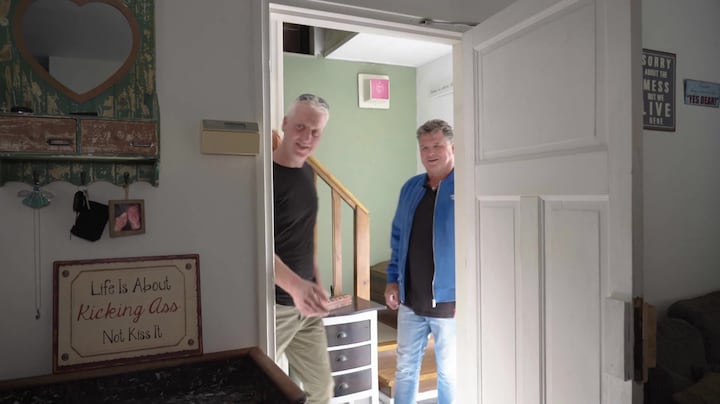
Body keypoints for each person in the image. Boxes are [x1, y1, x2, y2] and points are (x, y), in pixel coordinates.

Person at [384, 119, 456, 404]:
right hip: (411, 300)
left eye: (437, 145)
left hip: (449, 303)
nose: (430, 153)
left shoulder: (466, 186)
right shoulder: (411, 187)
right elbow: (398, 237)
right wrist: (392, 279)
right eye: (424, 147)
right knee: (405, 370)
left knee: (449, 374)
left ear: (452, 147)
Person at [273, 93, 334, 403]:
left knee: (321, 389)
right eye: (300, 127)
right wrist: (297, 288)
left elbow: (305, 235)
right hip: (274, 307)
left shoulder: (308, 172)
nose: (307, 138)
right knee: (259, 386)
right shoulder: (264, 176)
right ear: (285, 124)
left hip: (306, 309)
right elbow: (255, 247)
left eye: (315, 132)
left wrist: (316, 283)